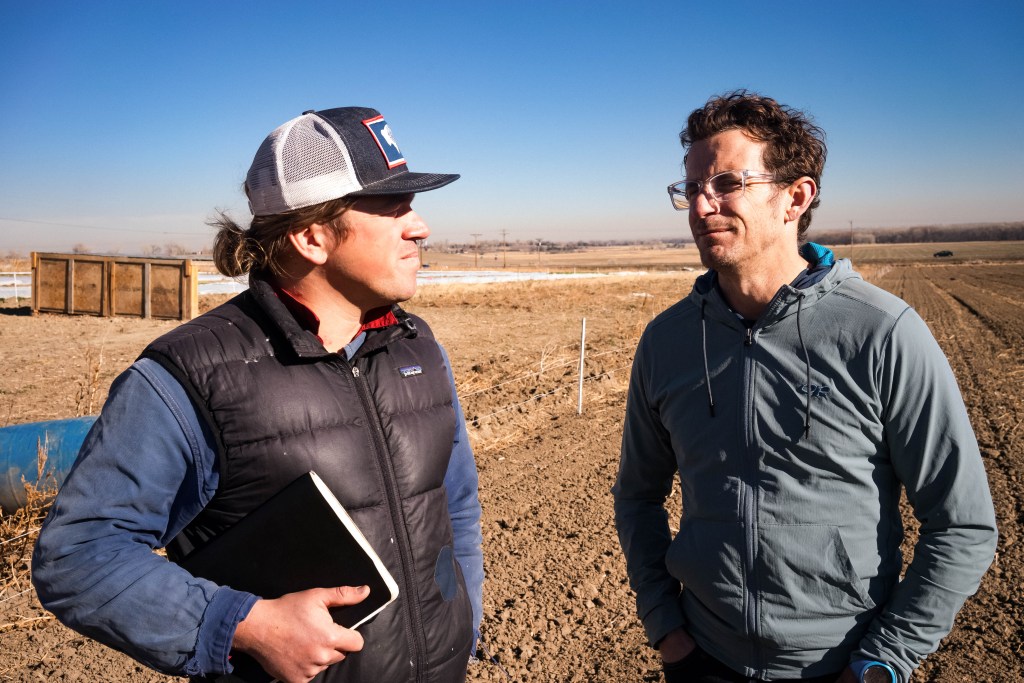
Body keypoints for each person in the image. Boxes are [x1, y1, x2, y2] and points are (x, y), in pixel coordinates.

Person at [33, 107, 483, 683]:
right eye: (392, 208)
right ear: (312, 236)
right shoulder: (189, 376)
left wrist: (460, 626)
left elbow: (455, 504)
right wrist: (246, 625)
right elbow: (78, 554)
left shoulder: (418, 348)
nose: (418, 227)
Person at [612, 91, 997, 683]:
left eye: (724, 182)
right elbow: (637, 496)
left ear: (796, 197)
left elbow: (961, 524)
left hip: (839, 664)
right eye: (690, 188)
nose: (701, 204)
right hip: (703, 660)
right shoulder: (668, 342)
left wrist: (881, 662)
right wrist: (666, 629)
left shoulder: (882, 332)